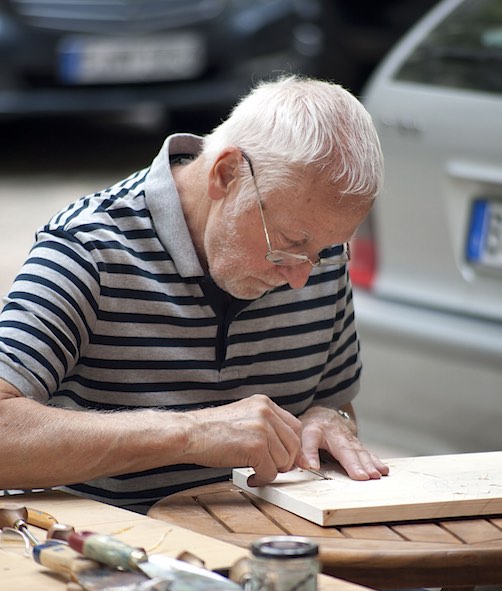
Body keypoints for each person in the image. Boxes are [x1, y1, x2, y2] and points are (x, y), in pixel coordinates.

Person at [0, 74, 388, 512]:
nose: (301, 278)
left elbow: (335, 404)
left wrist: (329, 420)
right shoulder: (88, 248)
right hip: (113, 559)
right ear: (225, 174)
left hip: (272, 551)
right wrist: (191, 434)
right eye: (287, 243)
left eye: (323, 249)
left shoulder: (316, 253)